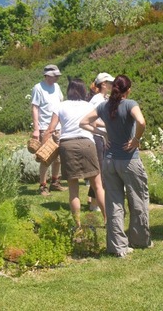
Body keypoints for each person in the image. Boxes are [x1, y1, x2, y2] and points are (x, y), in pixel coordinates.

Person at [80, 74, 151, 257]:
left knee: (114, 204)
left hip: (109, 161)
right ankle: (139, 240)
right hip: (129, 161)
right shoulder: (129, 104)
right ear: (128, 90)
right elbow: (141, 121)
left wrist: (102, 134)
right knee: (138, 201)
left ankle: (117, 246)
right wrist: (136, 139)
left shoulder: (104, 106)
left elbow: (83, 122)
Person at [46, 78, 106, 226]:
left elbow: (51, 129)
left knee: (73, 190)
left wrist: (47, 137)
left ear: (69, 91)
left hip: (67, 145)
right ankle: (108, 220)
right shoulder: (87, 105)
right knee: (98, 185)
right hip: (87, 144)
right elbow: (95, 122)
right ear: (83, 90)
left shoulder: (60, 106)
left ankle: (77, 225)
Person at [30, 64, 66, 196]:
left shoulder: (56, 87)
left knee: (58, 158)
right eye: (53, 76)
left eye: (57, 76)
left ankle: (55, 182)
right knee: (46, 157)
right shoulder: (38, 88)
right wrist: (36, 129)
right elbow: (35, 108)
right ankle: (43, 185)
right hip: (45, 128)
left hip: (58, 127)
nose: (56, 78)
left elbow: (61, 104)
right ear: (46, 75)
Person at [86, 72, 114, 211]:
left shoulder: (103, 98)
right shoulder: (97, 99)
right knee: (100, 170)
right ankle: (94, 203)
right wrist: (107, 125)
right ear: (103, 84)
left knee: (101, 170)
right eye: (110, 83)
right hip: (97, 137)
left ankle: (94, 201)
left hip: (101, 137)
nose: (112, 85)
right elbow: (91, 119)